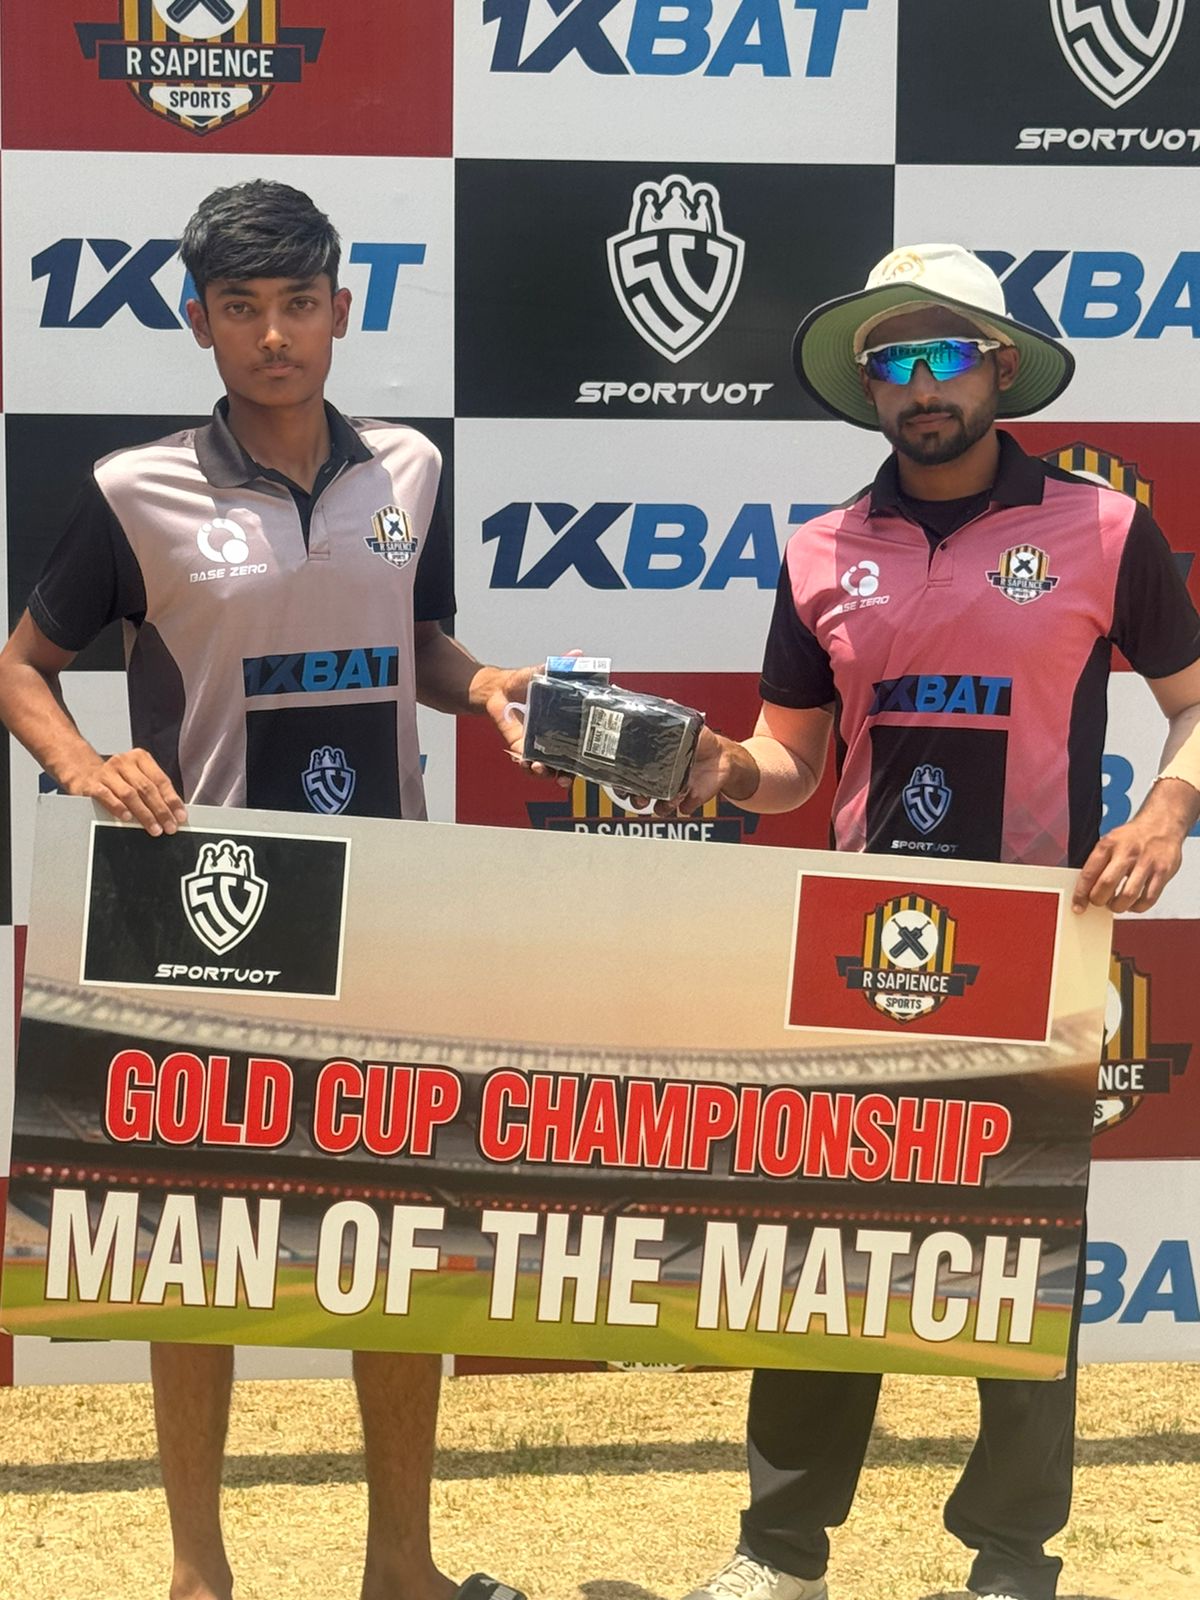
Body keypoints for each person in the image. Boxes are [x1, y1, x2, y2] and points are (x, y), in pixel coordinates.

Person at [0, 180, 538, 1600]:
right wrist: (82, 764)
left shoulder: (411, 468)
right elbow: (21, 668)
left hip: (391, 897)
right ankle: (200, 1572)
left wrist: (482, 682)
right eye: (241, 308)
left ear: (342, 309)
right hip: (211, 910)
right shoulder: (133, 490)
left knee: (399, 1243)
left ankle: (402, 1567)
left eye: (299, 302)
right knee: (200, 1250)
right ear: (200, 323)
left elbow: (420, 643)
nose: (275, 333)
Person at [667, 243, 1200, 1600]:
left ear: (999, 368)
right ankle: (781, 1552)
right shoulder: (819, 550)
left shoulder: (1104, 528)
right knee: (824, 1253)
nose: (921, 384)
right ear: (869, 387)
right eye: (893, 362)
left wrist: (1165, 812)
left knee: (1021, 1256)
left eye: (946, 354)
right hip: (860, 946)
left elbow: (1197, 701)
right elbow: (791, 762)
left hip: (1036, 939)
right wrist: (719, 770)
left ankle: (1014, 1555)